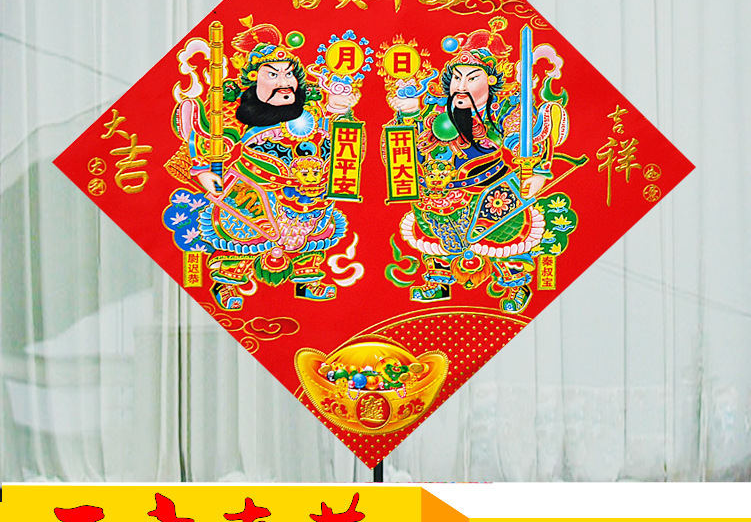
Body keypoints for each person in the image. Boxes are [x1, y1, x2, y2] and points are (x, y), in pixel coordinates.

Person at [384, 18, 569, 310]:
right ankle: (438, 281)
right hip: (440, 188)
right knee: (434, 234)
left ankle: (515, 285)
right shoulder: (433, 109)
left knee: (502, 236)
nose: (461, 86)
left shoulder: (502, 108)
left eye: (472, 78)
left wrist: (535, 172)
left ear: (490, 80)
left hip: (490, 187)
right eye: (457, 78)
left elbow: (524, 137)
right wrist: (406, 116)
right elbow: (403, 151)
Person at [177, 26, 359, 309]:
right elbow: (208, 140)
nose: (284, 82)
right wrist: (203, 171)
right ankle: (229, 282)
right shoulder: (235, 114)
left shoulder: (311, 112)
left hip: (308, 189)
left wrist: (341, 111)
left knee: (312, 234)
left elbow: (339, 142)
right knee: (242, 235)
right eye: (273, 75)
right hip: (254, 187)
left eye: (289, 74)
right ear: (254, 80)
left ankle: (307, 279)